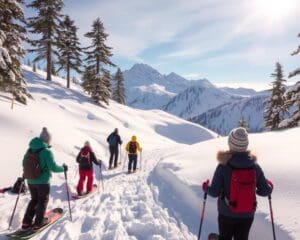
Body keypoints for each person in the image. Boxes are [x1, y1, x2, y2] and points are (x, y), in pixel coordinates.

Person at [202, 127, 273, 240]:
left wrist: (206, 187)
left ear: (231, 144)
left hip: (226, 213)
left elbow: (214, 192)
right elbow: (264, 191)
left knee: (225, 237)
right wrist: (270, 186)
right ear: (246, 145)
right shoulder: (254, 166)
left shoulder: (223, 166)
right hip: (247, 213)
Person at [22, 127, 67, 230]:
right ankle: (38, 222)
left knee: (34, 200)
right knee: (42, 201)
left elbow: (23, 164)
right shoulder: (47, 152)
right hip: (42, 181)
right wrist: (63, 169)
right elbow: (53, 168)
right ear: (47, 140)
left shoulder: (29, 150)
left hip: (30, 180)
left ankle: (26, 222)